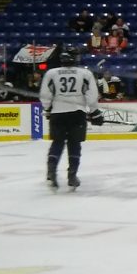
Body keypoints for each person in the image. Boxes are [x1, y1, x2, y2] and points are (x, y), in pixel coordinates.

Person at [39, 48, 103, 191]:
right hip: (77, 113)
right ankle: (72, 176)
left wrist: (48, 108)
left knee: (57, 142)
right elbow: (91, 94)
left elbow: (45, 94)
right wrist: (94, 111)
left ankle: (51, 171)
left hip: (58, 113)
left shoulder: (51, 73)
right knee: (74, 144)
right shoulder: (85, 73)